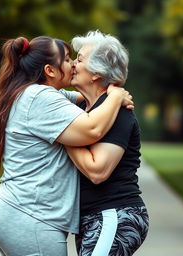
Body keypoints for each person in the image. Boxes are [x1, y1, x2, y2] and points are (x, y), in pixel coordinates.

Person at [0, 35, 133, 256]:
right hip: (31, 217)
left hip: (20, 212)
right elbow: (91, 129)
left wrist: (104, 95)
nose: (72, 64)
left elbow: (87, 99)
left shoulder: (40, 93)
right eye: (66, 60)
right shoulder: (40, 97)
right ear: (50, 70)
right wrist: (116, 95)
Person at [65, 31, 149, 256]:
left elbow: (98, 170)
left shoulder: (119, 113)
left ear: (97, 72)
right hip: (93, 216)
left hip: (114, 213)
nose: (72, 64)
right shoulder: (90, 111)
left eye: (79, 59)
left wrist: (63, 135)